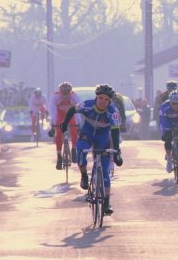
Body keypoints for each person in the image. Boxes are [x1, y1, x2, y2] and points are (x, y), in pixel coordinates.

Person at [60, 84, 123, 215]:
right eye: (100, 98)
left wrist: (117, 152)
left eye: (106, 99)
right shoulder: (87, 105)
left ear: (110, 101)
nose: (103, 101)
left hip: (103, 137)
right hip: (87, 133)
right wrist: (65, 124)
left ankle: (106, 203)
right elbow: (72, 110)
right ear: (96, 97)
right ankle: (84, 175)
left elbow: (115, 134)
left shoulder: (113, 112)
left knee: (105, 172)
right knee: (81, 154)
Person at [48, 82, 81, 170]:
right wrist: (54, 124)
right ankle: (59, 156)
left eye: (67, 94)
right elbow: (53, 112)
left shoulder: (75, 97)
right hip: (60, 114)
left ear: (71, 92)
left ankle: (74, 149)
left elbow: (78, 111)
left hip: (71, 114)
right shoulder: (55, 97)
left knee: (74, 131)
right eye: (63, 94)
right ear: (60, 93)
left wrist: (78, 124)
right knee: (59, 133)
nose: (65, 96)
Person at [159, 90, 178, 173]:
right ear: (170, 102)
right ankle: (169, 160)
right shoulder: (164, 107)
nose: (176, 106)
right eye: (173, 103)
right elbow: (162, 122)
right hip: (167, 121)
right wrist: (165, 131)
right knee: (167, 138)